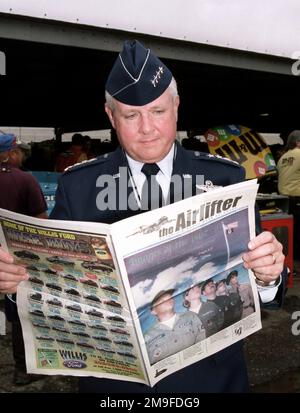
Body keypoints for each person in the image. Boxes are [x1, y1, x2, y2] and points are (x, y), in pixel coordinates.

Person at [0, 40, 285, 392]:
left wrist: (268, 277)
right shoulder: (78, 186)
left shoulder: (226, 178)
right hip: (116, 388)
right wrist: (16, 285)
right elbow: (46, 289)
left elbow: (259, 285)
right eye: (131, 115)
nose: (147, 128)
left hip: (210, 381)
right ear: (111, 117)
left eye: (158, 112)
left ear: (177, 108)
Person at [0, 132, 48, 385]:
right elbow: (41, 222)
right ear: (9, 153)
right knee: (21, 314)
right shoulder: (24, 179)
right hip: (13, 260)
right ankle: (23, 368)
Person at [145, 289, 205, 365]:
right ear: (153, 311)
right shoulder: (147, 337)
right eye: (161, 300)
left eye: (169, 297)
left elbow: (203, 342)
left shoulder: (191, 316)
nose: (167, 299)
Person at [277, 130, 300, 259]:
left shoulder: (282, 158)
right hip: (298, 198)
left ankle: (292, 259)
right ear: (298, 142)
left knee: (293, 232)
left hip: (285, 200)